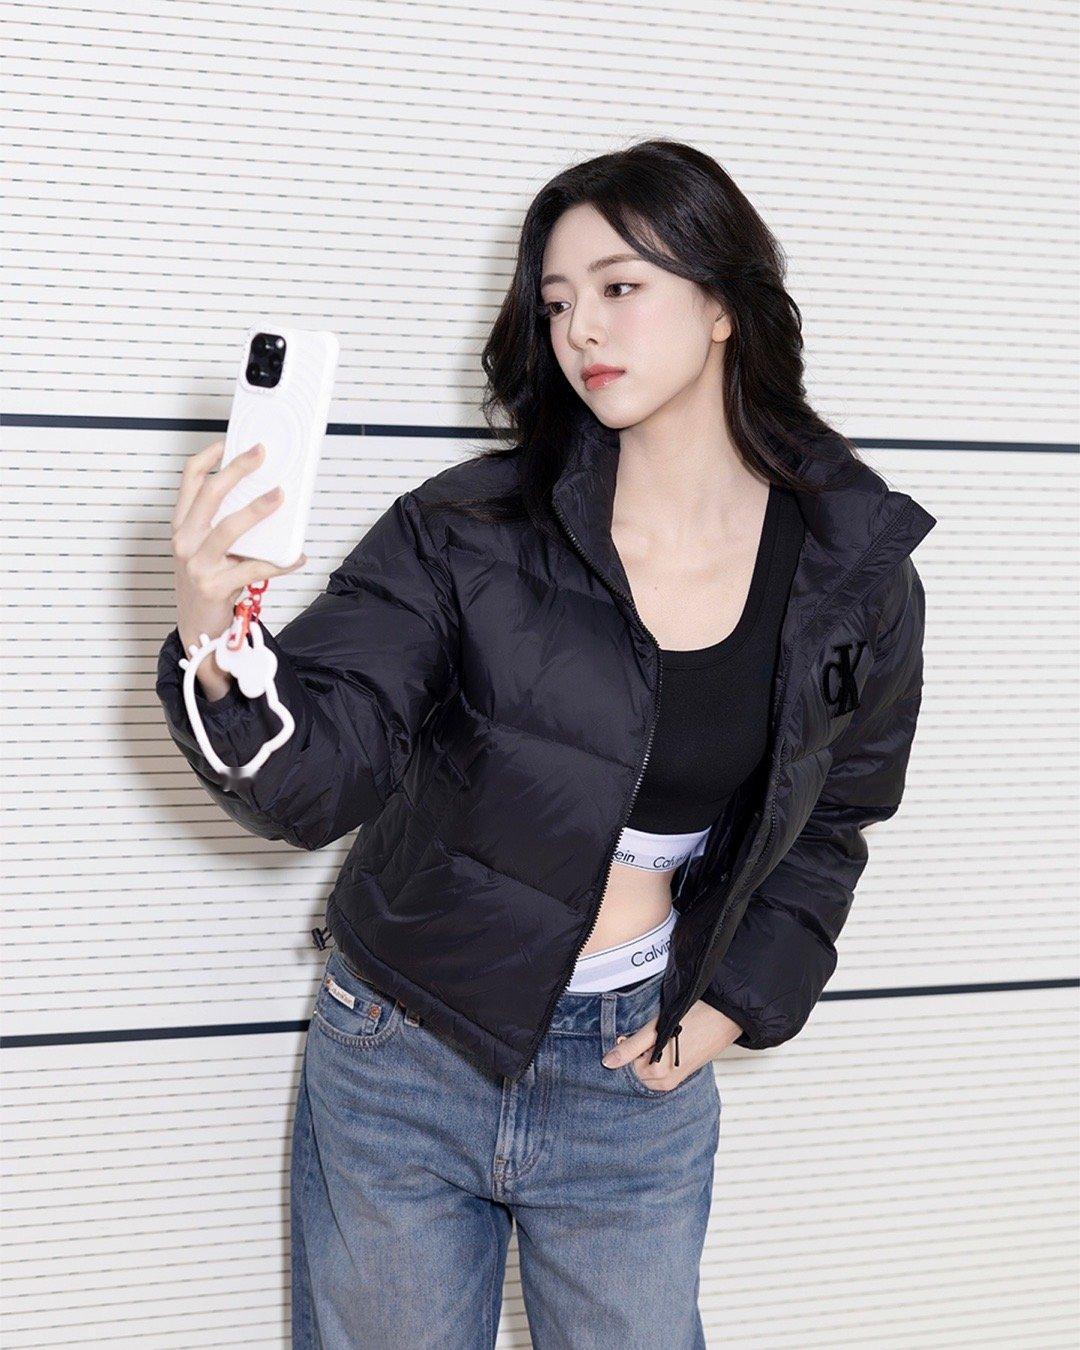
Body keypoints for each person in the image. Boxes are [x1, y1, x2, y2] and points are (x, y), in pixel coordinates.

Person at [155, 139, 936, 1350]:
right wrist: (218, 635)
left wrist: (737, 1000)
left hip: (634, 1065)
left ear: (724, 304)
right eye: (559, 301)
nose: (583, 330)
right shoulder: (466, 529)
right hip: (406, 1051)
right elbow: (314, 785)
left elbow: (838, 814)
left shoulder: (852, 567)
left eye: (620, 287)